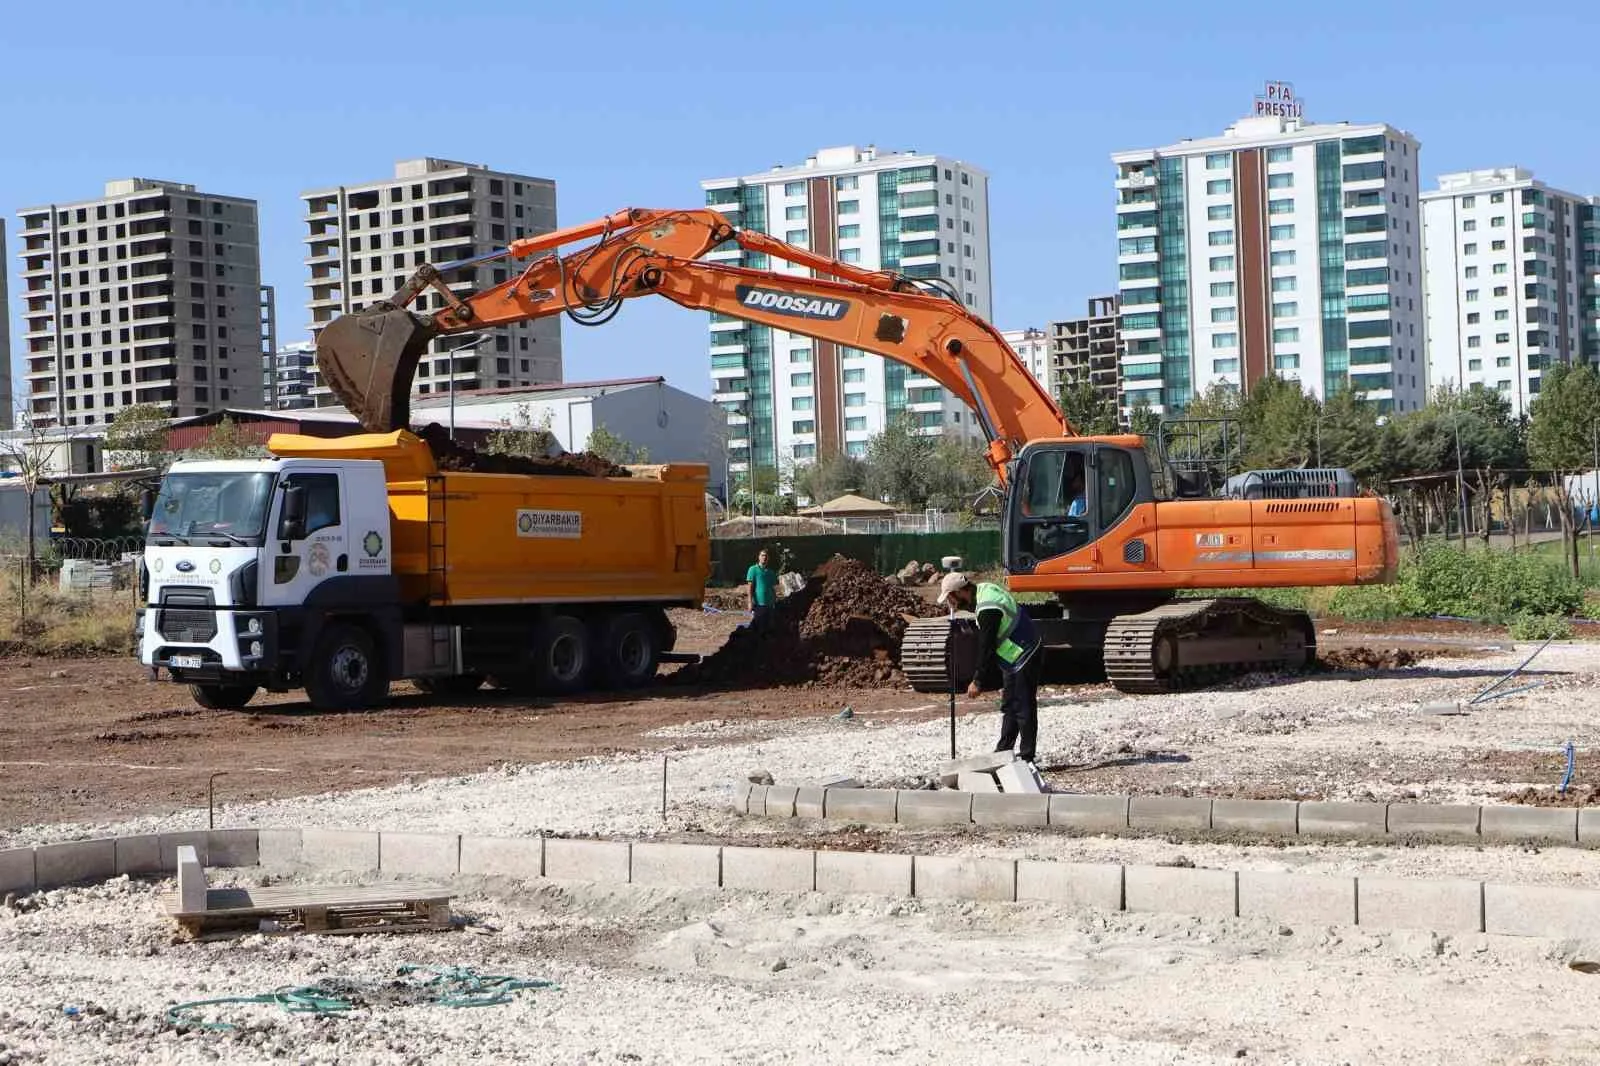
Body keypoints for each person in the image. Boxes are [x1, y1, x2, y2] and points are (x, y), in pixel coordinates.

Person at [938, 571, 1043, 765]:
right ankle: (1004, 751)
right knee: (1010, 703)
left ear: (960, 591)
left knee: (1023, 704)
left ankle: (1028, 757)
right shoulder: (983, 591)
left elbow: (986, 647)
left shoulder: (988, 608)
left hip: (1024, 650)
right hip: (1015, 652)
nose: (951, 603)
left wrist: (978, 680)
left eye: (951, 597)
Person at [746, 547, 778, 629]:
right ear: (759, 557)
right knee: (759, 627)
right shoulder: (753, 569)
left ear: (768, 558)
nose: (764, 557)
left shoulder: (770, 572)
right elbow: (750, 587)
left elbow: (773, 588)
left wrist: (775, 601)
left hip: (770, 604)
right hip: (759, 604)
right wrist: (750, 602)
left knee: (769, 627)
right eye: (762, 555)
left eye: (766, 556)